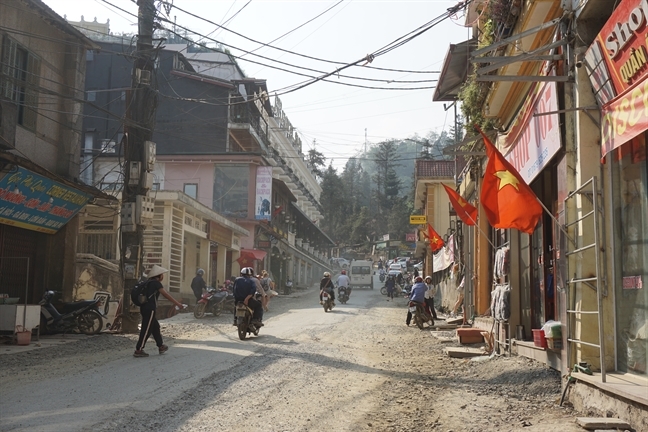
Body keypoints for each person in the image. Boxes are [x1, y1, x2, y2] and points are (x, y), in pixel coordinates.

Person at [134, 265, 187, 357]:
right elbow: (165, 294)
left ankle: (161, 346)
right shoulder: (156, 283)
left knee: (155, 327)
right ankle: (139, 349)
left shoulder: (148, 282)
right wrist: (177, 304)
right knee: (146, 329)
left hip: (144, 308)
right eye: (162, 275)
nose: (163, 276)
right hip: (150, 309)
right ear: (158, 276)